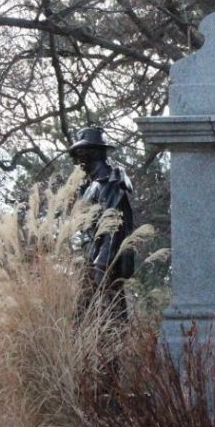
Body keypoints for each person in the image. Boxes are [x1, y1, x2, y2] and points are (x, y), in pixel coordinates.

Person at [68, 126, 134, 315]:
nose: (77, 157)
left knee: (109, 314)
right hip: (91, 257)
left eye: (81, 151)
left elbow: (111, 226)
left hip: (102, 262)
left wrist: (101, 265)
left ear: (95, 152)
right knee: (84, 317)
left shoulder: (109, 182)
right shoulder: (92, 184)